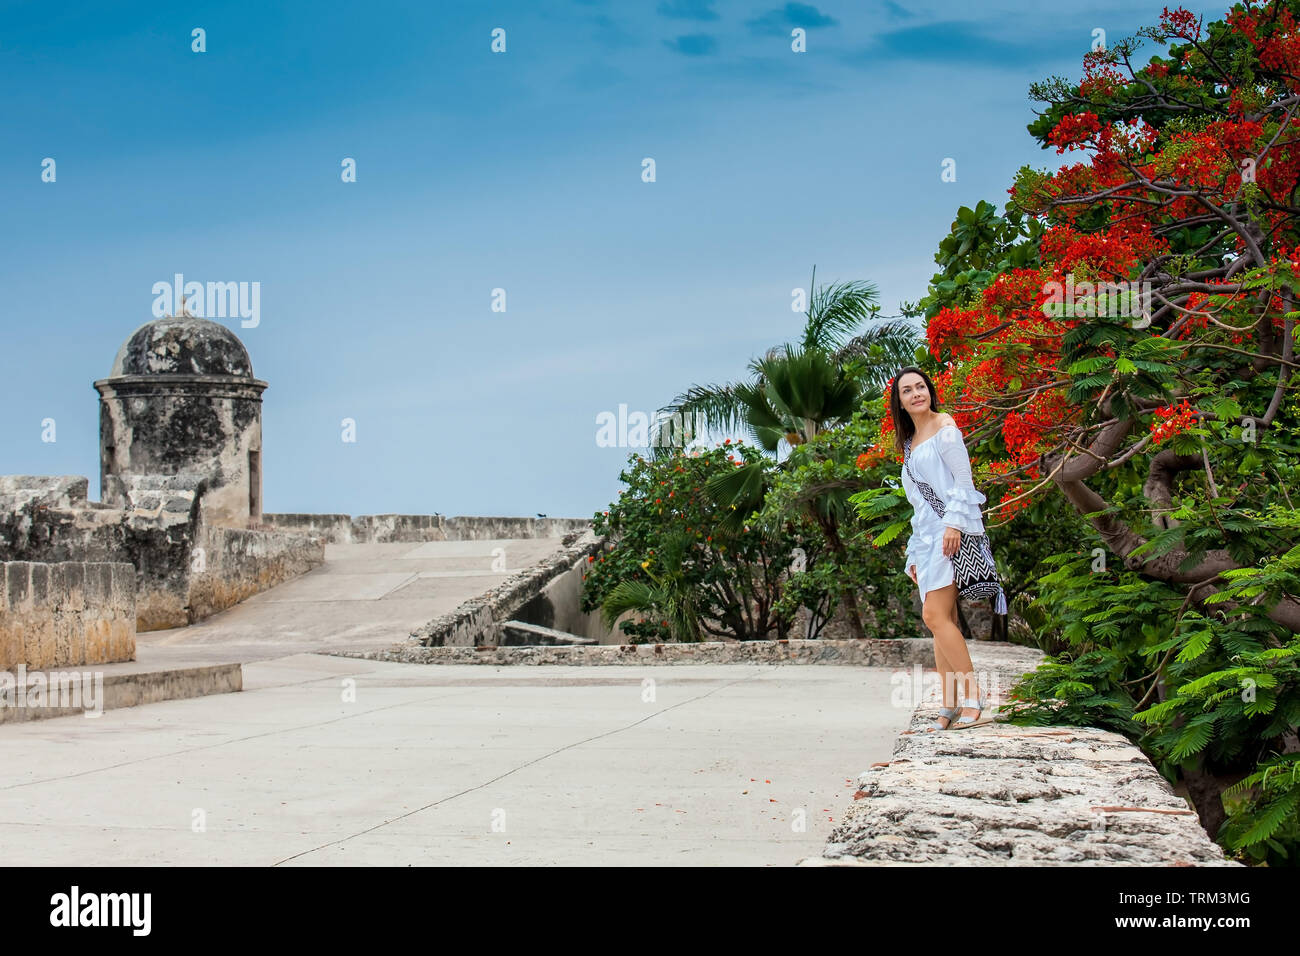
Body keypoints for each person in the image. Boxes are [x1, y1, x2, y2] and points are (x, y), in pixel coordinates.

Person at [890, 366, 998, 732]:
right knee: (942, 622)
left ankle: (974, 697)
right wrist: (912, 554)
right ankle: (949, 704)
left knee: (933, 616)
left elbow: (964, 480)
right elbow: (918, 507)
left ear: (930, 392)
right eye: (908, 390)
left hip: (949, 533)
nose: (916, 393)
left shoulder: (944, 427)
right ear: (900, 402)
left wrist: (954, 523)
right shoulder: (908, 445)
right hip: (925, 540)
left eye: (921, 386)